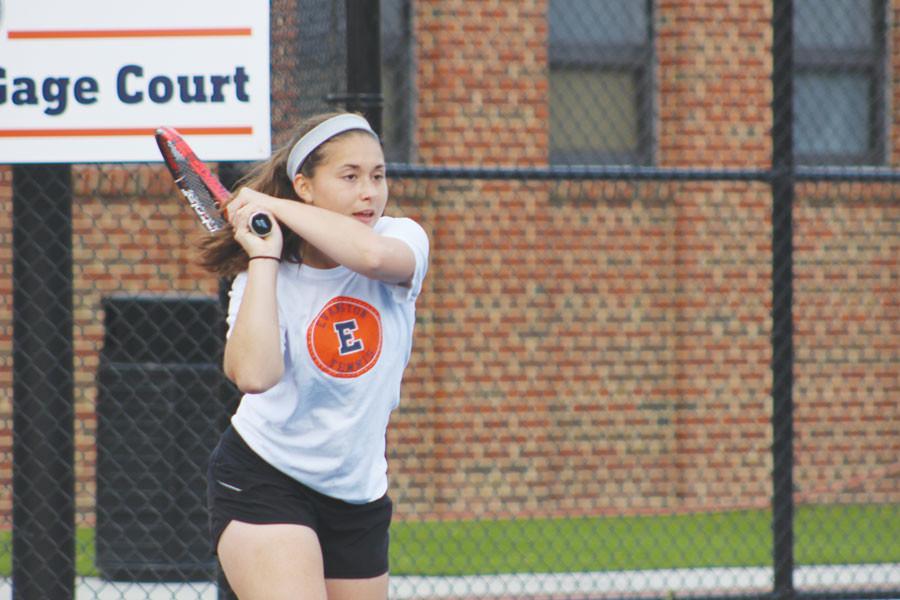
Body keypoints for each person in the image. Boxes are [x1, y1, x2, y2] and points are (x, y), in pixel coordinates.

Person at [200, 112, 429, 600]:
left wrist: (266, 204)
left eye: (378, 175)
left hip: (357, 493)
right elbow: (254, 375)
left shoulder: (402, 238)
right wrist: (263, 258)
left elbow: (369, 257)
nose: (369, 191)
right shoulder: (265, 276)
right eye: (350, 177)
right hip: (265, 476)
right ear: (303, 186)